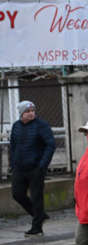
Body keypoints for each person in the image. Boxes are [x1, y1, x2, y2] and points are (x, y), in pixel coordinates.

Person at [9, 100, 56, 237]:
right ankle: (40, 216)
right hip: (19, 168)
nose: (31, 114)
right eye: (28, 111)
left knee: (37, 197)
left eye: (32, 111)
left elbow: (50, 145)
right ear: (21, 113)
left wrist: (42, 165)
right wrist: (13, 162)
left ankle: (37, 228)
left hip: (36, 168)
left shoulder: (41, 126)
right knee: (17, 194)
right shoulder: (16, 126)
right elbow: (13, 145)